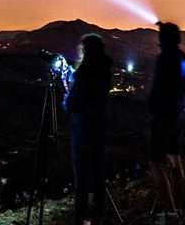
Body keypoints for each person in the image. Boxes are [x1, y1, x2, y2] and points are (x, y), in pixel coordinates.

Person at [64, 33, 112, 225]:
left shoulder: (83, 74)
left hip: (82, 131)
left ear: (85, 50)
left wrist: (67, 87)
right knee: (98, 174)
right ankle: (97, 218)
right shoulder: (105, 70)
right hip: (100, 127)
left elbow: (71, 104)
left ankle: (79, 220)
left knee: (82, 180)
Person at [148, 21, 185, 221]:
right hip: (177, 113)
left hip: (162, 115)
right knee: (175, 160)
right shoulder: (184, 59)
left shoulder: (165, 58)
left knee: (156, 163)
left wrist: (151, 108)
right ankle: (179, 207)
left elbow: (158, 87)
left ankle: (170, 212)